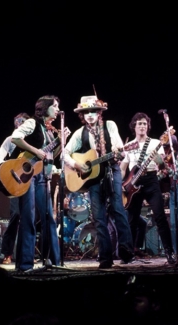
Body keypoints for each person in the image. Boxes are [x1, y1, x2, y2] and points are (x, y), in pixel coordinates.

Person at [64, 95, 134, 269]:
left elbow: (119, 148)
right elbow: (65, 153)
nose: (89, 115)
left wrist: (120, 152)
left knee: (118, 209)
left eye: (93, 111)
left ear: (99, 112)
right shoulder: (80, 133)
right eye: (86, 112)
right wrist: (76, 164)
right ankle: (105, 257)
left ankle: (126, 249)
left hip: (112, 170)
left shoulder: (109, 125)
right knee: (99, 216)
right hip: (94, 178)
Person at [10, 96, 62, 272]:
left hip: (41, 176)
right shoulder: (32, 123)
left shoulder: (48, 130)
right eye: (54, 106)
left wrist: (60, 143)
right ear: (45, 108)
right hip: (28, 176)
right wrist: (35, 151)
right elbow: (15, 138)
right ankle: (25, 264)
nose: (57, 109)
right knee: (28, 217)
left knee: (49, 217)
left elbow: (48, 157)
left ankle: (54, 261)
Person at [120, 112, 175, 263]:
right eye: (139, 124)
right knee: (132, 219)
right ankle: (129, 253)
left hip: (151, 180)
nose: (142, 126)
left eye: (145, 123)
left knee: (160, 217)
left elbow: (162, 165)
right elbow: (123, 168)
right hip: (133, 184)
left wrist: (159, 159)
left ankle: (170, 252)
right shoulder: (128, 145)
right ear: (134, 126)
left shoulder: (155, 143)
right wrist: (120, 184)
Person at [0, 112, 29, 264]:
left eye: (22, 122)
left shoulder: (34, 140)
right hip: (15, 183)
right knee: (16, 214)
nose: (19, 125)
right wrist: (11, 168)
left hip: (31, 182)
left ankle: (27, 252)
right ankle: (7, 252)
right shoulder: (10, 140)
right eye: (17, 122)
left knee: (31, 217)